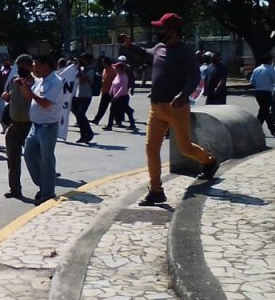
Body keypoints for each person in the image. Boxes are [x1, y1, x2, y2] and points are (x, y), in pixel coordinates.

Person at [121, 13, 220, 207]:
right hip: (156, 107)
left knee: (185, 148)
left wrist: (183, 95)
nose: (158, 31)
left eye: (161, 28)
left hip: (177, 107)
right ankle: (156, 190)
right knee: (151, 149)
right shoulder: (159, 48)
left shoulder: (185, 51)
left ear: (172, 31)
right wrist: (130, 46)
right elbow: (146, 53)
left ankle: (209, 162)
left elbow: (194, 77)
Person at [19, 54, 64, 202]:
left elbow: (46, 103)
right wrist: (24, 86)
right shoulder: (40, 81)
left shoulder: (56, 82)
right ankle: (43, 186)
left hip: (48, 127)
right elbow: (28, 97)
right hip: (35, 125)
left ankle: (48, 192)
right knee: (29, 155)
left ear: (46, 65)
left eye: (37, 64)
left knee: (47, 160)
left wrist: (31, 93)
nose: (35, 68)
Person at [2, 55, 34, 199]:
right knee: (12, 160)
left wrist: (25, 86)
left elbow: (31, 98)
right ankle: (15, 188)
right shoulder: (13, 82)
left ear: (29, 67)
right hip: (14, 125)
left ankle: (44, 188)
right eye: (18, 66)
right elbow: (10, 96)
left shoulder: (35, 82)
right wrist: (6, 96)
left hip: (29, 125)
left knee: (34, 158)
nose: (20, 69)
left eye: (22, 66)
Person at [250, 56, 275, 136]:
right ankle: (256, 128)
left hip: (258, 92)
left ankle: (272, 128)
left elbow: (252, 81)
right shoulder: (270, 69)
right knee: (264, 110)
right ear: (269, 61)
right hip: (266, 92)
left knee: (264, 110)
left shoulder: (256, 69)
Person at [72, 53, 96, 143]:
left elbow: (84, 79)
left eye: (83, 59)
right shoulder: (83, 69)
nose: (82, 61)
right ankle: (84, 135)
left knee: (81, 114)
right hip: (79, 94)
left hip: (86, 95)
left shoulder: (91, 69)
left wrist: (79, 69)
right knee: (79, 116)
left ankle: (89, 132)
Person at [106, 61, 136, 132]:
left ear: (120, 69)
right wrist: (110, 92)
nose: (115, 69)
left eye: (116, 68)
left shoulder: (124, 77)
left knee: (126, 110)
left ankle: (132, 124)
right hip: (115, 97)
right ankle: (109, 126)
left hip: (122, 97)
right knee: (112, 111)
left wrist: (116, 96)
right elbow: (113, 84)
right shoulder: (117, 76)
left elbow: (122, 88)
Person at [91, 57, 116, 126]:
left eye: (103, 62)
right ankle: (97, 119)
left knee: (116, 107)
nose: (102, 64)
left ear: (107, 63)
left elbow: (115, 81)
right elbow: (103, 78)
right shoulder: (105, 69)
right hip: (104, 90)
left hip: (110, 91)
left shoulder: (113, 70)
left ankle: (127, 113)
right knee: (102, 107)